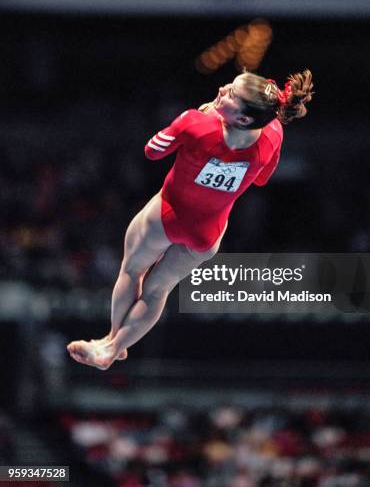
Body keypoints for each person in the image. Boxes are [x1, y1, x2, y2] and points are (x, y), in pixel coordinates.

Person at [67, 70, 314, 369]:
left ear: (244, 118)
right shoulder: (273, 133)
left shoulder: (198, 123)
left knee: (132, 270)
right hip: (206, 234)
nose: (222, 89)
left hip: (168, 214)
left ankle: (111, 340)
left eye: (231, 95)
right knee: (159, 290)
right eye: (230, 85)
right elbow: (262, 179)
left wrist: (198, 114)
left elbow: (152, 150)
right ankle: (114, 348)